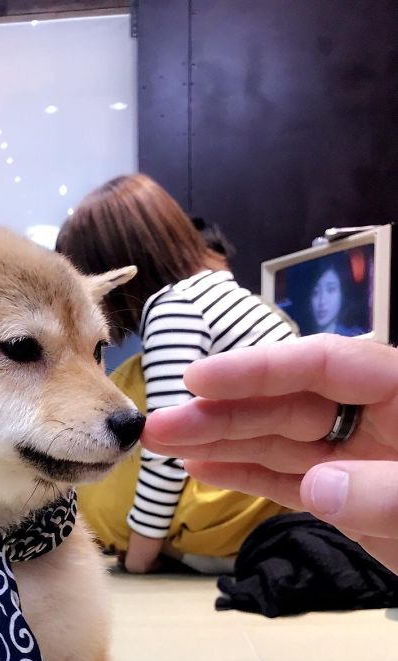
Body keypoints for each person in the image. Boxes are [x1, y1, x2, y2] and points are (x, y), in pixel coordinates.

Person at [56, 174, 296, 574]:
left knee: (130, 384)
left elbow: (169, 449)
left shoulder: (176, 308)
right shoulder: (220, 291)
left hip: (243, 506)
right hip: (278, 490)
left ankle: (185, 544)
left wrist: (139, 558)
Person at [141, 333, 398, 574]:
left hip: (289, 466)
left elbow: (165, 455)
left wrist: (141, 549)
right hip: (302, 457)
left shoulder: (172, 307)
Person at [307, 255, 364, 337]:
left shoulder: (355, 336)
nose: (322, 301)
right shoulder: (299, 339)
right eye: (315, 292)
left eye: (330, 290)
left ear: (342, 293)